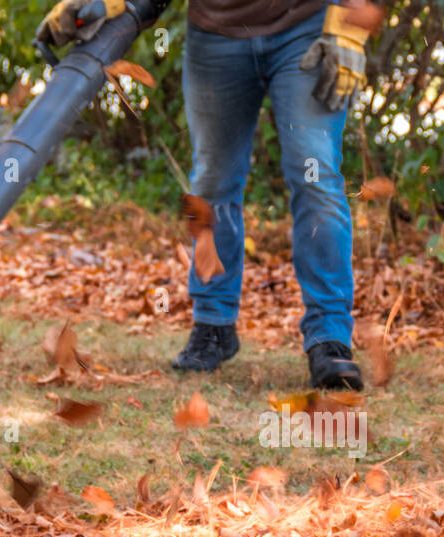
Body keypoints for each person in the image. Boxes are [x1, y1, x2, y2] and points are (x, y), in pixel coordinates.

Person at [37, 0, 372, 390]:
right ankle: (213, 325)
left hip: (307, 27)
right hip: (217, 38)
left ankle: (329, 338)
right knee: (212, 181)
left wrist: (354, 15)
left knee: (315, 175)